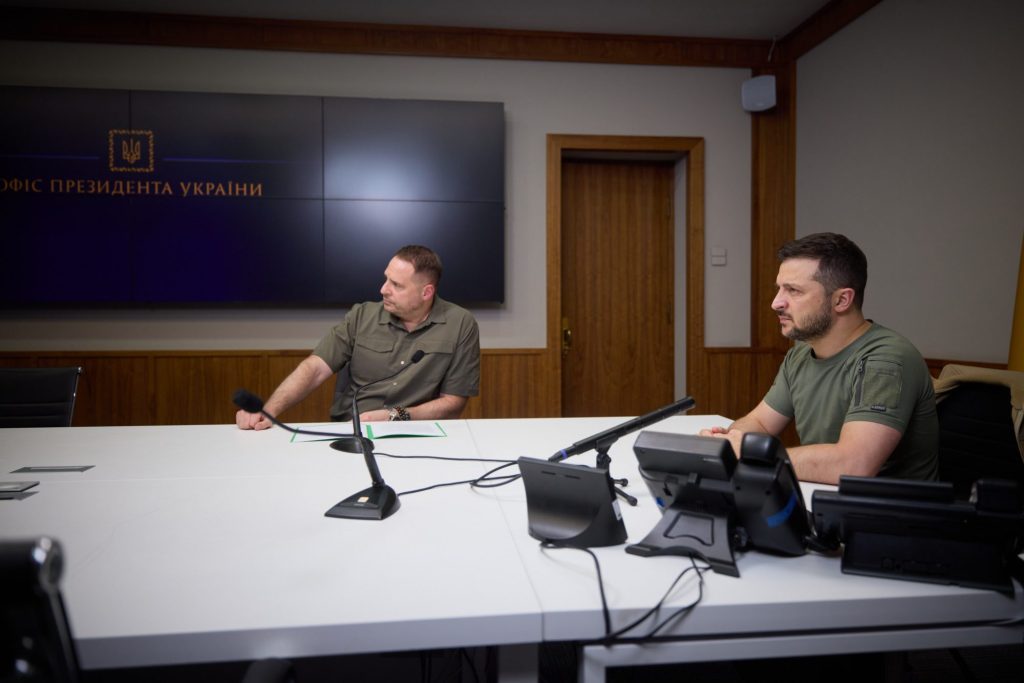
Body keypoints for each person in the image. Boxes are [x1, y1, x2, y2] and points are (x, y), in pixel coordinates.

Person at [700, 232, 938, 484]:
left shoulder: (885, 359)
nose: (776, 303)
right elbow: (760, 422)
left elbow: (854, 464)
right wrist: (728, 442)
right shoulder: (800, 355)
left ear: (842, 300)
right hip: (825, 503)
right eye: (779, 289)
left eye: (793, 291)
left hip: (886, 517)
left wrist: (751, 454)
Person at [236, 245, 480, 429]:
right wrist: (269, 410)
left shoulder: (460, 324)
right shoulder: (362, 315)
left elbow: (453, 402)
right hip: (353, 429)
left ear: (426, 292)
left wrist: (394, 416)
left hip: (419, 432)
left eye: (396, 284)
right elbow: (315, 368)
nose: (383, 289)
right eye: (386, 278)